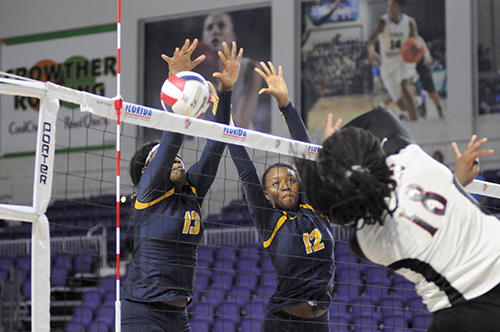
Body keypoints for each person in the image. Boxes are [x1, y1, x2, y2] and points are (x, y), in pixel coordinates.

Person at [298, 107, 500, 332]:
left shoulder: (365, 244)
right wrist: (333, 147)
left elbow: (344, 209)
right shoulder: (411, 160)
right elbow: (377, 117)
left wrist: (332, 168)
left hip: (468, 316)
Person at [121, 39, 243, 332]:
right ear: (148, 172)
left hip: (179, 316)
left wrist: (225, 92)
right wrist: (175, 83)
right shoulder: (148, 194)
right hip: (142, 313)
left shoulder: (192, 191)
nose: (174, 158)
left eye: (177, 157)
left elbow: (217, 142)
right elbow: (172, 138)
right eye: (162, 158)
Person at [228, 62, 335, 331]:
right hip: (281, 323)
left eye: (290, 180)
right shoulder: (268, 219)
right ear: (267, 194)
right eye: (277, 183)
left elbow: (303, 151)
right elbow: (245, 170)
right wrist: (223, 120)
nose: (286, 186)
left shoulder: (316, 207)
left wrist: (285, 103)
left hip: (320, 322)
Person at [192, 11, 270, 132]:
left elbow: (241, 125)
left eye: (221, 26)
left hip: (239, 143)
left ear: (233, 36)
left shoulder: (251, 67)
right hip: (204, 142)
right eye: (209, 28)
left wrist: (219, 94)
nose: (215, 31)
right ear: (203, 38)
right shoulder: (196, 73)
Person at [367, 0, 420, 121]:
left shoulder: (409, 22)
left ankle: (417, 124)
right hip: (388, 66)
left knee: (404, 85)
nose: (390, 10)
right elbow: (371, 42)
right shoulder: (382, 22)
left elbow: (415, 41)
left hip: (404, 62)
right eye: (388, 7)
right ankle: (418, 103)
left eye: (393, 7)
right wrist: (371, 52)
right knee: (402, 104)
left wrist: (418, 49)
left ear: (400, 7)